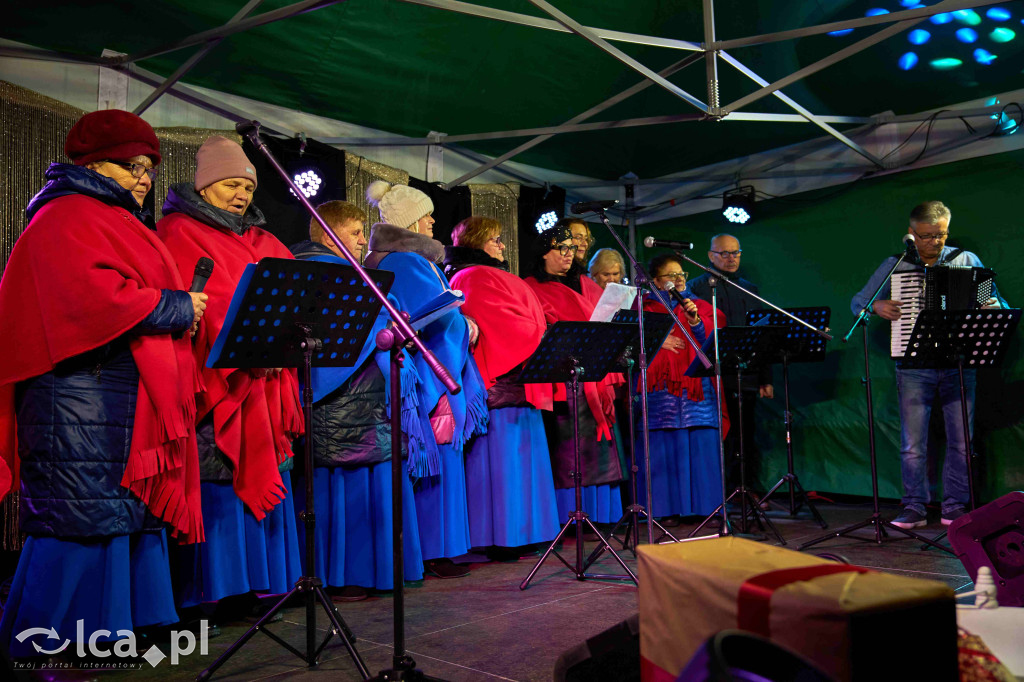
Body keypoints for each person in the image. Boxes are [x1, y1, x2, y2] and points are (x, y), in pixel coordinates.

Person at [0, 110, 205, 658]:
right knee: (81, 515)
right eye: (130, 165)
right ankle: (56, 640)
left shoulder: (110, 216)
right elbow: (91, 301)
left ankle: (115, 632)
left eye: (149, 167)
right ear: (92, 162)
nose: (143, 178)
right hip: (76, 396)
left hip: (107, 392)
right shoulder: (69, 215)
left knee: (111, 511)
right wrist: (178, 306)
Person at [157, 136, 303, 613]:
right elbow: (198, 301)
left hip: (266, 380)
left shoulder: (262, 239)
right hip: (216, 382)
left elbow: (297, 293)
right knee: (217, 478)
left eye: (247, 185)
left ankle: (259, 584)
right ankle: (213, 592)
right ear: (204, 186)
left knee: (265, 470)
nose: (241, 194)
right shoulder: (179, 230)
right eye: (230, 184)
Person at [289, 200, 424, 598]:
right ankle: (350, 575)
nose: (362, 239)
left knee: (359, 478)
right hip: (340, 395)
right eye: (353, 232)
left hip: (362, 396)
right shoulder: (327, 274)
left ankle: (355, 573)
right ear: (327, 235)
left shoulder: (344, 274)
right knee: (346, 483)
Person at [851, 201, 1008, 529]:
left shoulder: (966, 261)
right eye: (926, 236)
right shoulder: (896, 265)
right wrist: (876, 306)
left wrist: (994, 305)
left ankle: (955, 506)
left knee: (961, 441)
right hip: (913, 365)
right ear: (911, 234)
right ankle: (914, 507)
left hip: (960, 363)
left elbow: (996, 301)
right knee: (912, 444)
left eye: (941, 235)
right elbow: (859, 303)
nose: (934, 242)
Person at [365, 181, 489, 579]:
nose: (434, 219)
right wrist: (464, 323)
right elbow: (433, 318)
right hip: (429, 376)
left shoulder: (391, 260)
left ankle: (432, 550)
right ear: (408, 220)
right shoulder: (408, 262)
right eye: (426, 213)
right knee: (435, 460)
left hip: (415, 372)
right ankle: (437, 549)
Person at [443, 216, 560, 558]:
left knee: (520, 465)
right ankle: (502, 536)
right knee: (504, 466)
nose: (502, 244)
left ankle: (523, 534)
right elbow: (500, 323)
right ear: (477, 241)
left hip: (520, 383)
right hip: (502, 385)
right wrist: (545, 339)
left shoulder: (485, 273)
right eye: (495, 238)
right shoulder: (471, 276)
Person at [524, 225, 625, 526]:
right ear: (544, 252)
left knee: (600, 451)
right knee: (569, 453)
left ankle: (602, 514)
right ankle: (570, 517)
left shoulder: (582, 283)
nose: (569, 254)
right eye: (561, 248)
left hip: (594, 376)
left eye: (572, 248)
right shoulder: (531, 286)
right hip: (562, 383)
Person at [638, 254, 727, 520]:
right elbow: (630, 341)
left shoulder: (699, 306)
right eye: (670, 275)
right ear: (655, 281)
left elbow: (710, 344)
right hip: (660, 393)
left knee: (700, 446)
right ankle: (664, 510)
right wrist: (658, 341)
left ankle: (703, 508)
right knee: (662, 448)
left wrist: (695, 320)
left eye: (681, 275)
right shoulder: (643, 308)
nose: (677, 280)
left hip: (697, 392)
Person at [688, 233, 773, 492]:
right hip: (711, 375)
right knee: (718, 434)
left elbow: (760, 335)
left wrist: (765, 377)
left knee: (746, 435)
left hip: (745, 373)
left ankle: (747, 489)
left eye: (735, 253)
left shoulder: (749, 289)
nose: (731, 258)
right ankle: (717, 491)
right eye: (724, 253)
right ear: (711, 256)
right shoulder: (697, 288)